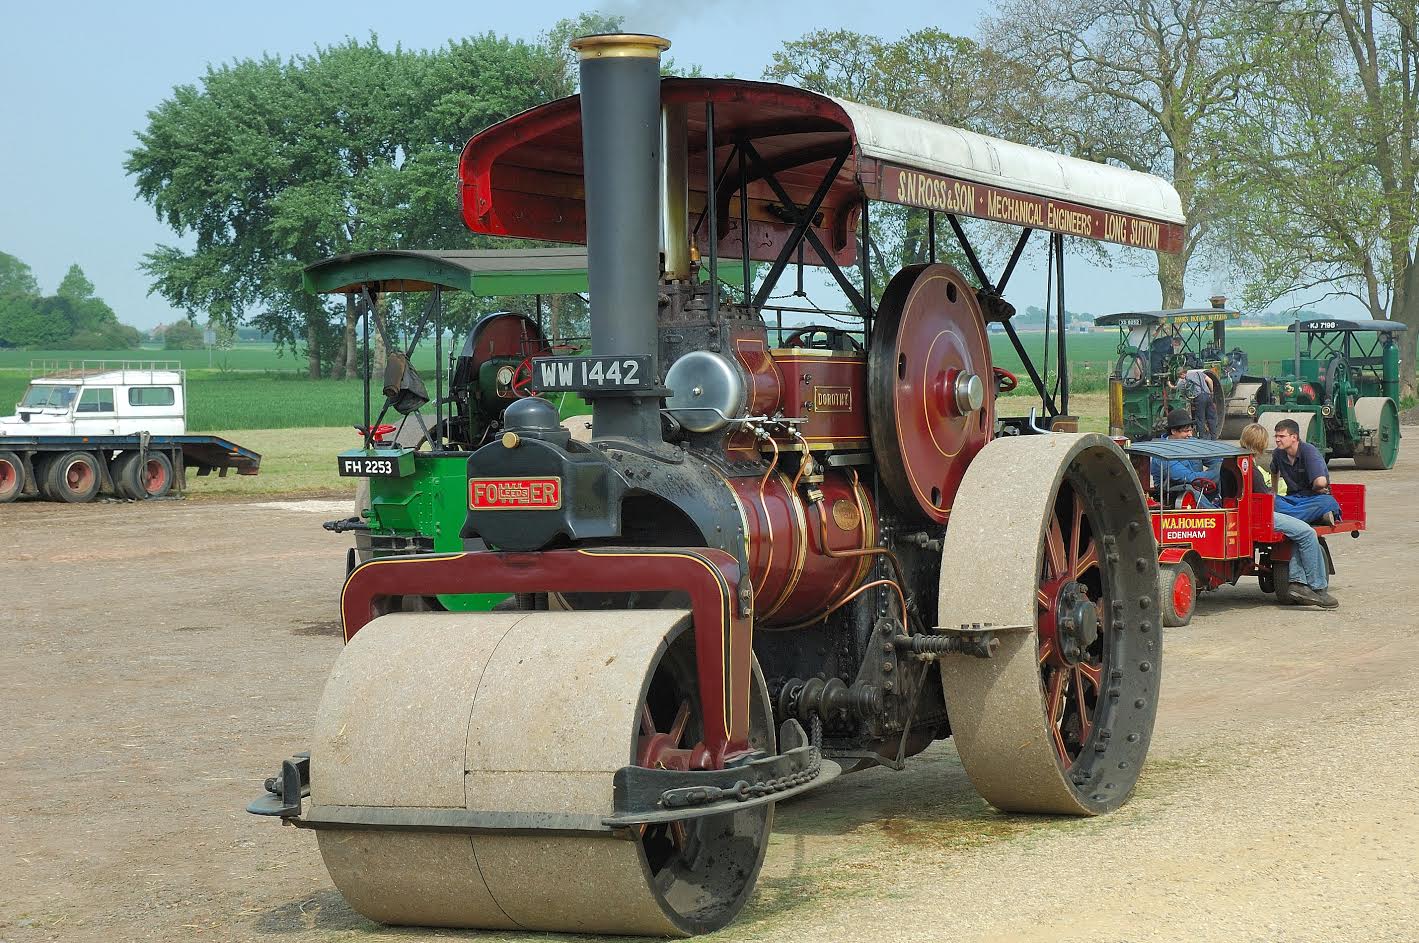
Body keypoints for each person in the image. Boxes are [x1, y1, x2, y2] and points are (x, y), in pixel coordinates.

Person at [1239, 423, 1337, 608]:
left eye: (1280, 436)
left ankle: (1298, 582)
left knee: (1296, 528)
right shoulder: (1251, 469)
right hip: (1262, 516)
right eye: (1274, 437)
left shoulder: (1235, 461)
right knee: (1307, 533)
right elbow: (1265, 499)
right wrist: (1273, 495)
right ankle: (1317, 588)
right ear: (1260, 444)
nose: (1276, 440)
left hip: (1248, 514)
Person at [1270, 418, 1342, 525]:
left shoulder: (1309, 451)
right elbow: (1274, 471)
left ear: (1294, 437)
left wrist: (1315, 488)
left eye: (1281, 436)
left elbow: (1321, 482)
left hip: (1313, 498)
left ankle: (1287, 518)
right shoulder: (1278, 453)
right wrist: (1274, 493)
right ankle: (1317, 517)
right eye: (1276, 436)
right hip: (1293, 499)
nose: (1277, 439)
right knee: (1272, 502)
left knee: (1327, 503)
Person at [1149, 408, 1222, 506]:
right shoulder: (1161, 454)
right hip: (1171, 493)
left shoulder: (1193, 443)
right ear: (1174, 431)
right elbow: (1189, 477)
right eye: (1186, 431)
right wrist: (1216, 474)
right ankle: (1214, 514)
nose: (1190, 435)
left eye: (1191, 431)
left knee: (1223, 467)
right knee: (1189, 487)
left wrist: (1221, 468)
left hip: (1198, 485)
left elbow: (1216, 459)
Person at [1175, 366, 1219, 439]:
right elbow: (1210, 381)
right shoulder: (1199, 373)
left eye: (1180, 376)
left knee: (1200, 419)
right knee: (1211, 417)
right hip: (1208, 396)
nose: (1181, 378)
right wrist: (1211, 392)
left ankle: (1201, 438)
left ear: (1183, 374)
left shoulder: (1185, 379)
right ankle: (1214, 437)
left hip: (1199, 398)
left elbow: (1181, 388)